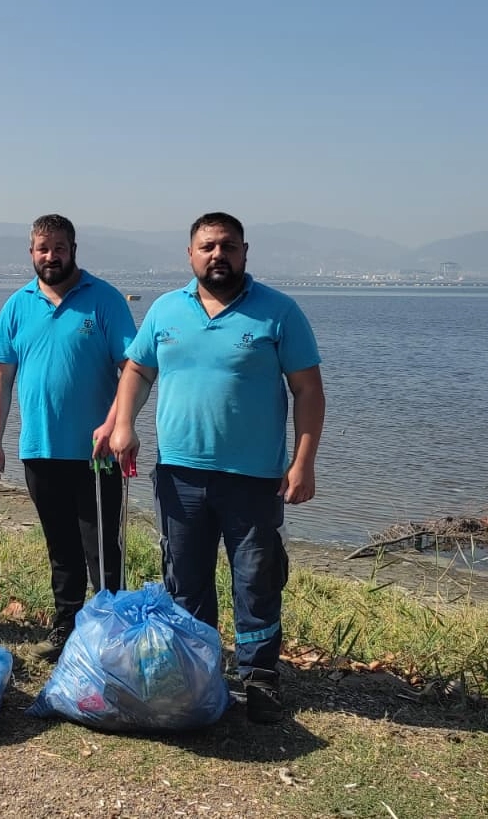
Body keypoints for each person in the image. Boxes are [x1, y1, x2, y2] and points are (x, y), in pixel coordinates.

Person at [103, 212, 325, 724]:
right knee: (186, 579)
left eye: (227, 246)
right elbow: (137, 369)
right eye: (207, 246)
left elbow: (308, 390)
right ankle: (196, 673)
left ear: (245, 251)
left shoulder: (278, 312)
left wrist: (303, 462)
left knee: (257, 579)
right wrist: (122, 425)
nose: (217, 255)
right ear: (190, 254)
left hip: (254, 478)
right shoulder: (165, 310)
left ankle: (259, 678)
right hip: (179, 474)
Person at [0, 214, 137, 661]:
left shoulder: (103, 299)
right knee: (60, 546)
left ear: (74, 249)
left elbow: (132, 368)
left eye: (60, 247)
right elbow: (1, 379)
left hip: (97, 454)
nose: (51, 256)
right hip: (40, 450)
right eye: (43, 248)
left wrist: (114, 424)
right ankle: (66, 625)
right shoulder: (17, 305)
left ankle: (114, 631)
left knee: (102, 547)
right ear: (31, 252)